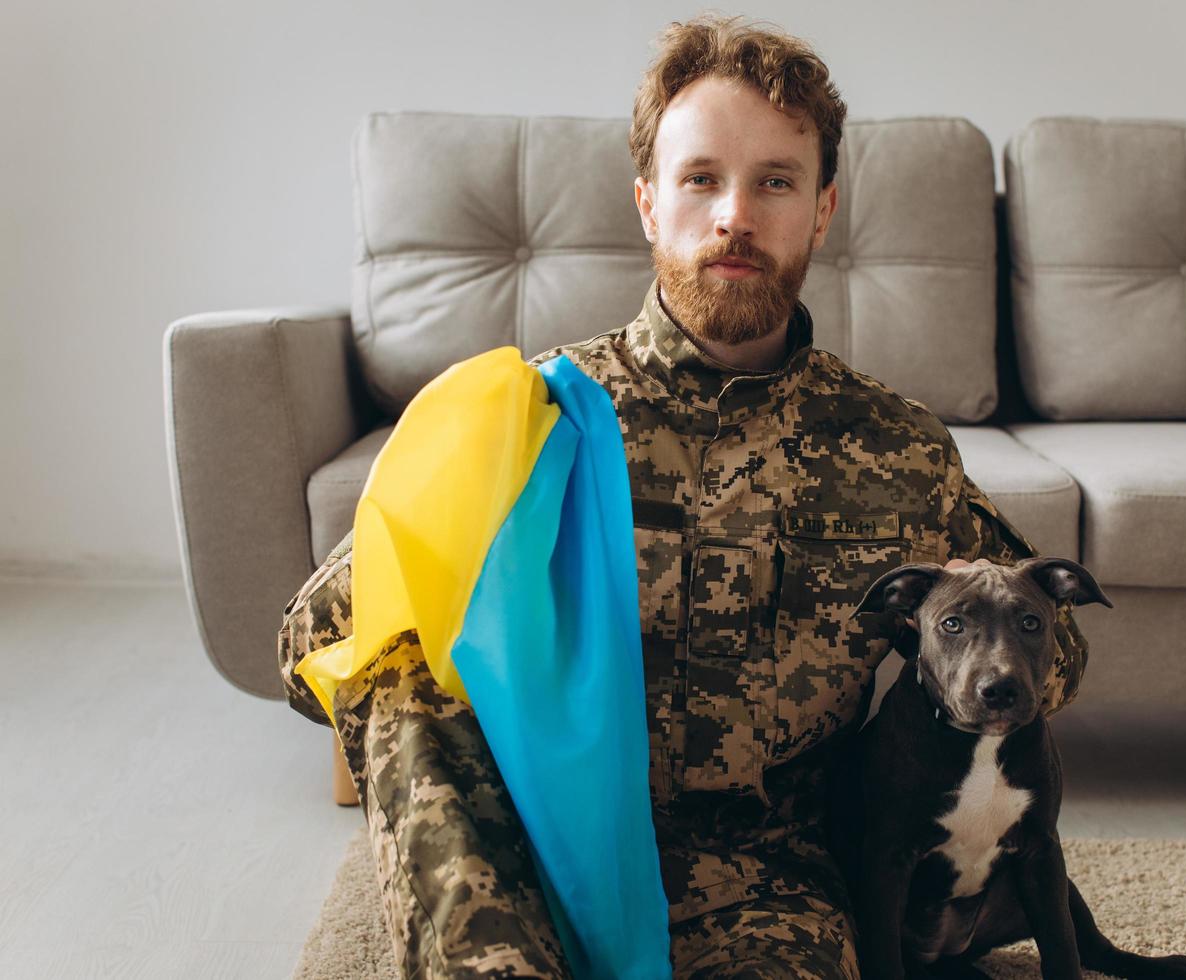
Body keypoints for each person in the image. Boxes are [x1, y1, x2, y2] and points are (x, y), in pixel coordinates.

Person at [278, 14, 1090, 979]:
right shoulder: (535, 418)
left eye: (774, 182)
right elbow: (311, 649)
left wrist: (949, 653)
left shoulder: (896, 450)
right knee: (400, 679)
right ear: (647, 202)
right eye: (700, 177)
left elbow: (1054, 648)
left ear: (821, 210)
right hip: (537, 853)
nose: (733, 216)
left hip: (770, 873)